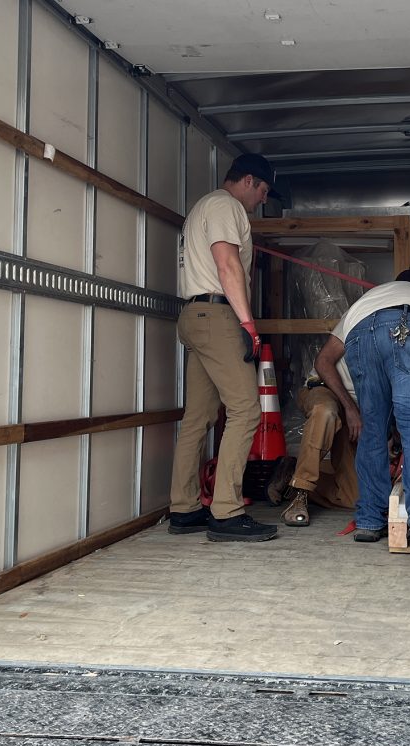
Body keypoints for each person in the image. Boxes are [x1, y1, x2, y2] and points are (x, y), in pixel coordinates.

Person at [166, 154, 278, 542]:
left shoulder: (201, 208)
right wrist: (248, 324)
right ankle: (227, 512)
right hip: (217, 317)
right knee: (247, 409)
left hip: (194, 316)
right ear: (248, 180)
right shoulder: (226, 206)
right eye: (263, 190)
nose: (262, 199)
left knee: (197, 417)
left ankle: (183, 509)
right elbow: (227, 264)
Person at [315, 269, 410, 560]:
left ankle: (369, 520)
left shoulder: (366, 302)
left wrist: (350, 407)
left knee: (372, 430)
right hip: (408, 328)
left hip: (359, 338)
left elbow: (323, 360)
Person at [277, 367, 359, 526]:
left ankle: (290, 473)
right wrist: (349, 408)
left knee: (352, 497)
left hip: (356, 408)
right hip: (324, 388)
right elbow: (323, 361)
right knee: (325, 412)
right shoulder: (350, 340)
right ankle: (301, 490)